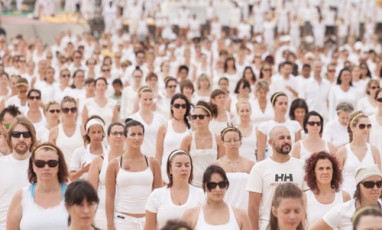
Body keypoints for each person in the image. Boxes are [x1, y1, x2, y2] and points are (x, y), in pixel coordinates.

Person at [105, 119, 162, 230]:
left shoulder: (153, 163)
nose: (137, 138)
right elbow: (110, 197)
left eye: (140, 134)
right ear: (125, 138)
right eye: (133, 134)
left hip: (148, 221)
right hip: (122, 221)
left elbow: (158, 196)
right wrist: (110, 225)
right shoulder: (114, 164)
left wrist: (156, 222)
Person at [247, 126, 307, 230]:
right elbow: (253, 208)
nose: (286, 141)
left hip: (296, 225)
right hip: (267, 225)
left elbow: (306, 202)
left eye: (288, 138)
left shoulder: (301, 166)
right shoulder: (259, 168)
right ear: (270, 142)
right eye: (281, 138)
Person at [6, 143, 69, 229]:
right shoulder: (21, 196)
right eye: (40, 163)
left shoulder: (72, 194)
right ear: (33, 166)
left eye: (52, 163)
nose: (46, 167)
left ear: (59, 166)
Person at [145, 150, 205, 230]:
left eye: (187, 165)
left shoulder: (201, 194)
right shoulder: (156, 195)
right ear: (170, 169)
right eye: (178, 165)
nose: (184, 168)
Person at [309, 164, 382, 230]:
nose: (375, 188)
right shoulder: (342, 211)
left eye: (379, 183)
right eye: (369, 184)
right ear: (358, 186)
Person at [181, 164, 251, 230]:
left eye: (222, 184)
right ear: (205, 186)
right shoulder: (190, 216)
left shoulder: (241, 216)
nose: (218, 189)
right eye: (212, 185)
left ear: (226, 185)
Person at [0, 117, 36, 229]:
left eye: (26, 135)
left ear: (32, 139)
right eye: (16, 134)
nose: (21, 138)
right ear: (10, 138)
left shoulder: (43, 165)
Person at [88, 122, 125, 230]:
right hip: (101, 214)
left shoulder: (135, 161)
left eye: (121, 133)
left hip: (127, 214)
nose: (118, 136)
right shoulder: (98, 161)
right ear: (108, 137)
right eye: (115, 133)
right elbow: (91, 193)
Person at [335, 111, 381, 196]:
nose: (366, 129)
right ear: (352, 127)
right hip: (347, 196)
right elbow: (336, 179)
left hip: (369, 196)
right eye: (362, 126)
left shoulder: (374, 150)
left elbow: (378, 177)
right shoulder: (342, 151)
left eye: (369, 126)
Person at [181, 101, 224, 187]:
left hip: (213, 185)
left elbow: (222, 165)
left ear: (209, 117)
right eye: (194, 116)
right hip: (192, 185)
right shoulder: (187, 140)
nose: (197, 119)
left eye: (201, 117)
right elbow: (182, 164)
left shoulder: (218, 139)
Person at [304, 151, 351, 227]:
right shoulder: (305, 198)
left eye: (328, 168)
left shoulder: (345, 197)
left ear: (333, 171)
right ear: (313, 172)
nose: (325, 172)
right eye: (321, 168)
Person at [215, 125, 254, 212]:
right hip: (223, 210)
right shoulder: (216, 165)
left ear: (240, 142)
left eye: (235, 140)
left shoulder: (250, 164)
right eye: (229, 140)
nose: (232, 143)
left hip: (245, 209)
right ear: (223, 143)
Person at [156, 94, 191, 184]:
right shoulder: (164, 127)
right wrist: (158, 175)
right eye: (177, 106)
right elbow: (158, 154)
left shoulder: (191, 128)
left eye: (183, 106)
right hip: (165, 173)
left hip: (185, 172)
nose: (180, 108)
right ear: (172, 107)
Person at [257, 92, 302, 160]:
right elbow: (260, 153)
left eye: (286, 103)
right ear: (273, 105)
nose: (284, 106)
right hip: (271, 165)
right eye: (280, 103)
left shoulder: (295, 125)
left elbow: (298, 151)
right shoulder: (264, 127)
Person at [128, 86, 166, 158]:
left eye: (150, 99)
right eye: (145, 99)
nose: (148, 102)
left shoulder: (161, 119)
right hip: (138, 159)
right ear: (139, 99)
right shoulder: (131, 119)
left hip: (157, 159)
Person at [49, 96, 85, 165]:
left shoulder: (83, 130)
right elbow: (52, 157)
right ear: (61, 111)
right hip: (62, 173)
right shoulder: (53, 132)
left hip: (81, 173)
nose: (70, 112)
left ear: (76, 110)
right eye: (66, 110)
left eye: (73, 109)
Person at [70, 116, 107, 180]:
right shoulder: (79, 152)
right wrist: (82, 171)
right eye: (93, 132)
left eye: (99, 132)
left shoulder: (108, 151)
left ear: (102, 133)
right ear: (88, 133)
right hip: (84, 188)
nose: (96, 135)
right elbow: (71, 177)